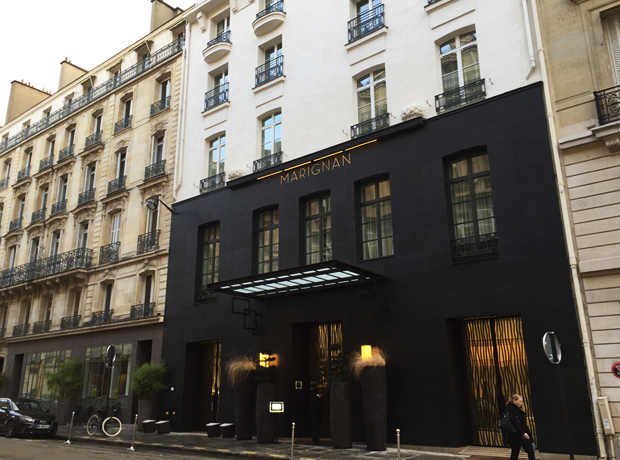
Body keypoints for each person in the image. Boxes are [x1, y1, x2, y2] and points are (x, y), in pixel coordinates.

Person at [506, 394, 536, 460]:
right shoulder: (512, 410)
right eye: (520, 401)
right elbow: (516, 423)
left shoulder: (517, 409)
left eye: (521, 401)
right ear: (514, 401)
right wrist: (523, 433)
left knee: (516, 452)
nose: (521, 403)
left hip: (518, 435)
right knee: (528, 451)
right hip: (518, 435)